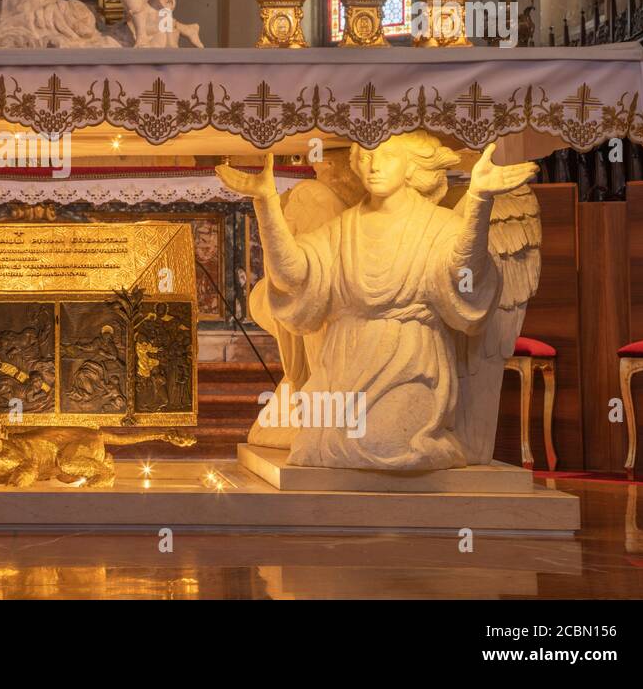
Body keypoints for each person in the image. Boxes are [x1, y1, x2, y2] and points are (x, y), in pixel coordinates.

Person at [217, 133, 537, 470]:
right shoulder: (341, 228)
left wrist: (479, 201)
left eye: (386, 156)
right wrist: (266, 203)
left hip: (408, 363)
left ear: (412, 165)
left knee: (384, 445)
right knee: (314, 446)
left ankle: (426, 446)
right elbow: (295, 279)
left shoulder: (438, 225)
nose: (374, 166)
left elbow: (467, 282)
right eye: (366, 156)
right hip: (342, 363)